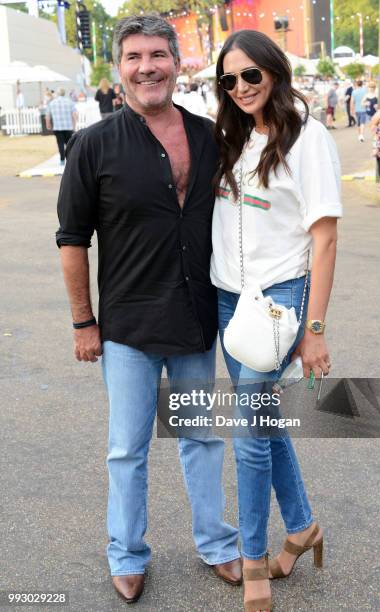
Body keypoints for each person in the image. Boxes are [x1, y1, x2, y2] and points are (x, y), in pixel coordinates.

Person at [56, 14, 240, 605]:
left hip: (195, 320)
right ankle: (127, 555)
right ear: (120, 68)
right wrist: (84, 322)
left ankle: (217, 544)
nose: (147, 67)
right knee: (127, 448)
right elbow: (72, 240)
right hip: (128, 328)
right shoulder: (94, 144)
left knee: (202, 439)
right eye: (134, 57)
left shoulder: (212, 136)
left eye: (158, 55)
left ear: (178, 62)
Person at [211, 30, 342, 612]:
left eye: (251, 76)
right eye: (229, 79)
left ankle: (255, 558)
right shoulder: (230, 137)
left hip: (279, 301)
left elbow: (326, 238)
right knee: (264, 422)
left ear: (274, 72)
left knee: (247, 434)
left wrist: (314, 330)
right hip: (226, 299)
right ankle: (303, 527)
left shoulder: (307, 137)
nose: (240, 88)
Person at [46, 88, 77, 166]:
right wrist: (74, 125)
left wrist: (48, 124)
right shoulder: (70, 102)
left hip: (57, 127)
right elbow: (74, 114)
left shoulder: (52, 103)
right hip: (68, 127)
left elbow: (48, 116)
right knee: (69, 144)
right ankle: (70, 160)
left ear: (58, 93)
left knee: (60, 144)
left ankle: (62, 160)